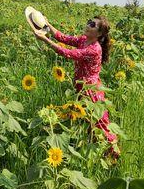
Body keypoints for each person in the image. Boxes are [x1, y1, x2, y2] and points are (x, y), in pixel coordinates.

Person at [33, 16, 119, 158]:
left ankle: (113, 154)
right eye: (89, 21)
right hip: (81, 87)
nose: (88, 24)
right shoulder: (83, 40)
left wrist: (45, 40)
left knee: (100, 124)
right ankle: (95, 152)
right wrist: (47, 24)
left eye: (92, 24)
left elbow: (68, 53)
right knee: (87, 122)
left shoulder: (94, 49)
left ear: (98, 34)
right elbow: (63, 37)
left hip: (91, 90)